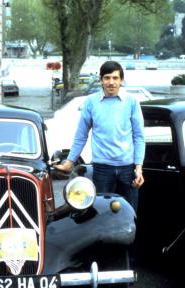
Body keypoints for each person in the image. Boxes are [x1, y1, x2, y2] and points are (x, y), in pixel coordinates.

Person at [54, 61, 145, 212]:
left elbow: (139, 137)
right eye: (107, 78)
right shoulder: (91, 102)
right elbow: (81, 135)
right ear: (101, 80)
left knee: (130, 212)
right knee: (100, 213)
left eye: (115, 78)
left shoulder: (132, 102)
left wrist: (139, 168)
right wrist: (69, 162)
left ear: (121, 80)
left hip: (128, 168)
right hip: (102, 168)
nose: (111, 82)